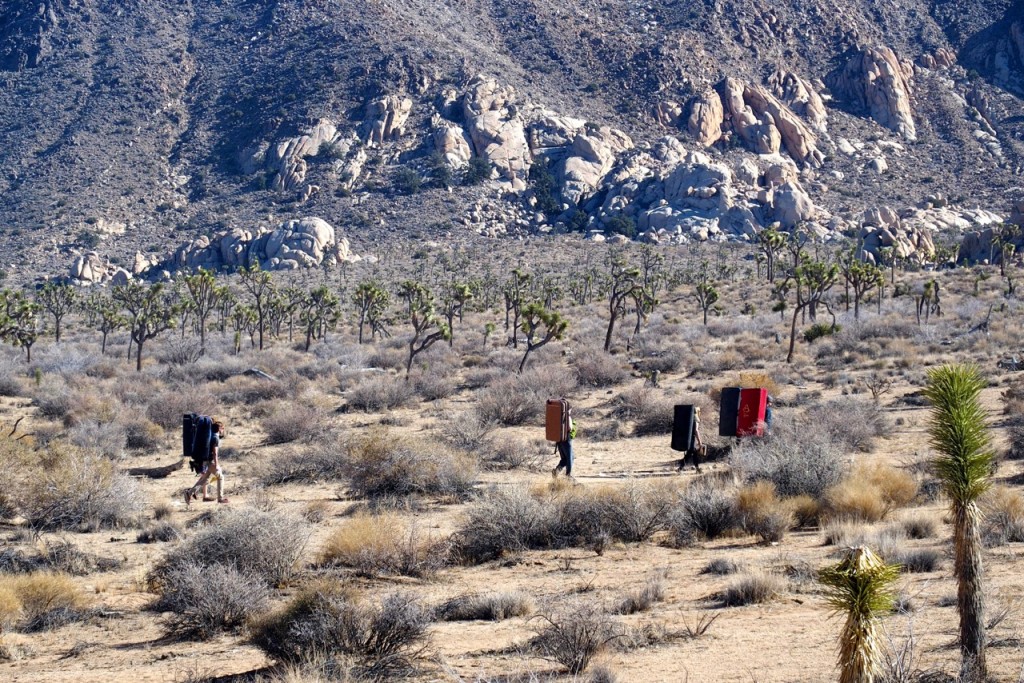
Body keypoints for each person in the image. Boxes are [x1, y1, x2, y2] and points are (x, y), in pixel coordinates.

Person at [185, 420, 228, 506]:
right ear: (219, 429)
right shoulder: (215, 438)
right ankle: (220, 498)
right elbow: (215, 453)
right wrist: (216, 465)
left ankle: (189, 493)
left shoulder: (210, 435)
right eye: (222, 428)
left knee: (204, 479)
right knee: (220, 477)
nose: (223, 430)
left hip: (205, 460)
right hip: (210, 461)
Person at [678, 406, 704, 473]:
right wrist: (699, 441)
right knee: (692, 453)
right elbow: (696, 430)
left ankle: (682, 467)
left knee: (691, 453)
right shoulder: (695, 419)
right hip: (692, 438)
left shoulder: (688, 418)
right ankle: (696, 468)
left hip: (687, 438)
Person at [552, 408, 577, 479]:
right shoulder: (567, 417)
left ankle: (556, 471)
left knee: (565, 458)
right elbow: (569, 428)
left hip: (559, 439)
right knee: (570, 457)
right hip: (567, 439)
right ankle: (568, 475)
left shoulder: (557, 416)